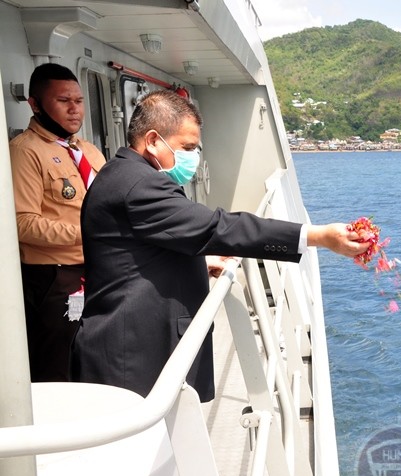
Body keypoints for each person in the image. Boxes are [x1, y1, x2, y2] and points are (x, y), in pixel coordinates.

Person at [70, 90, 370, 402]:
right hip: (129, 355)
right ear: (154, 140)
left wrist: (199, 263)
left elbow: (138, 251)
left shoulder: (124, 172)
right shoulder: (139, 185)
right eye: (187, 147)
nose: (193, 158)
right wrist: (316, 236)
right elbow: (217, 226)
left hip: (129, 345)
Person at [10, 63, 106, 382]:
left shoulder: (88, 151)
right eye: (64, 101)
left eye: (79, 101)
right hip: (56, 280)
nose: (74, 109)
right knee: (58, 365)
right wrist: (86, 234)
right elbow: (22, 223)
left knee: (93, 356)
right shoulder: (25, 152)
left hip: (97, 271)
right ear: (35, 104)